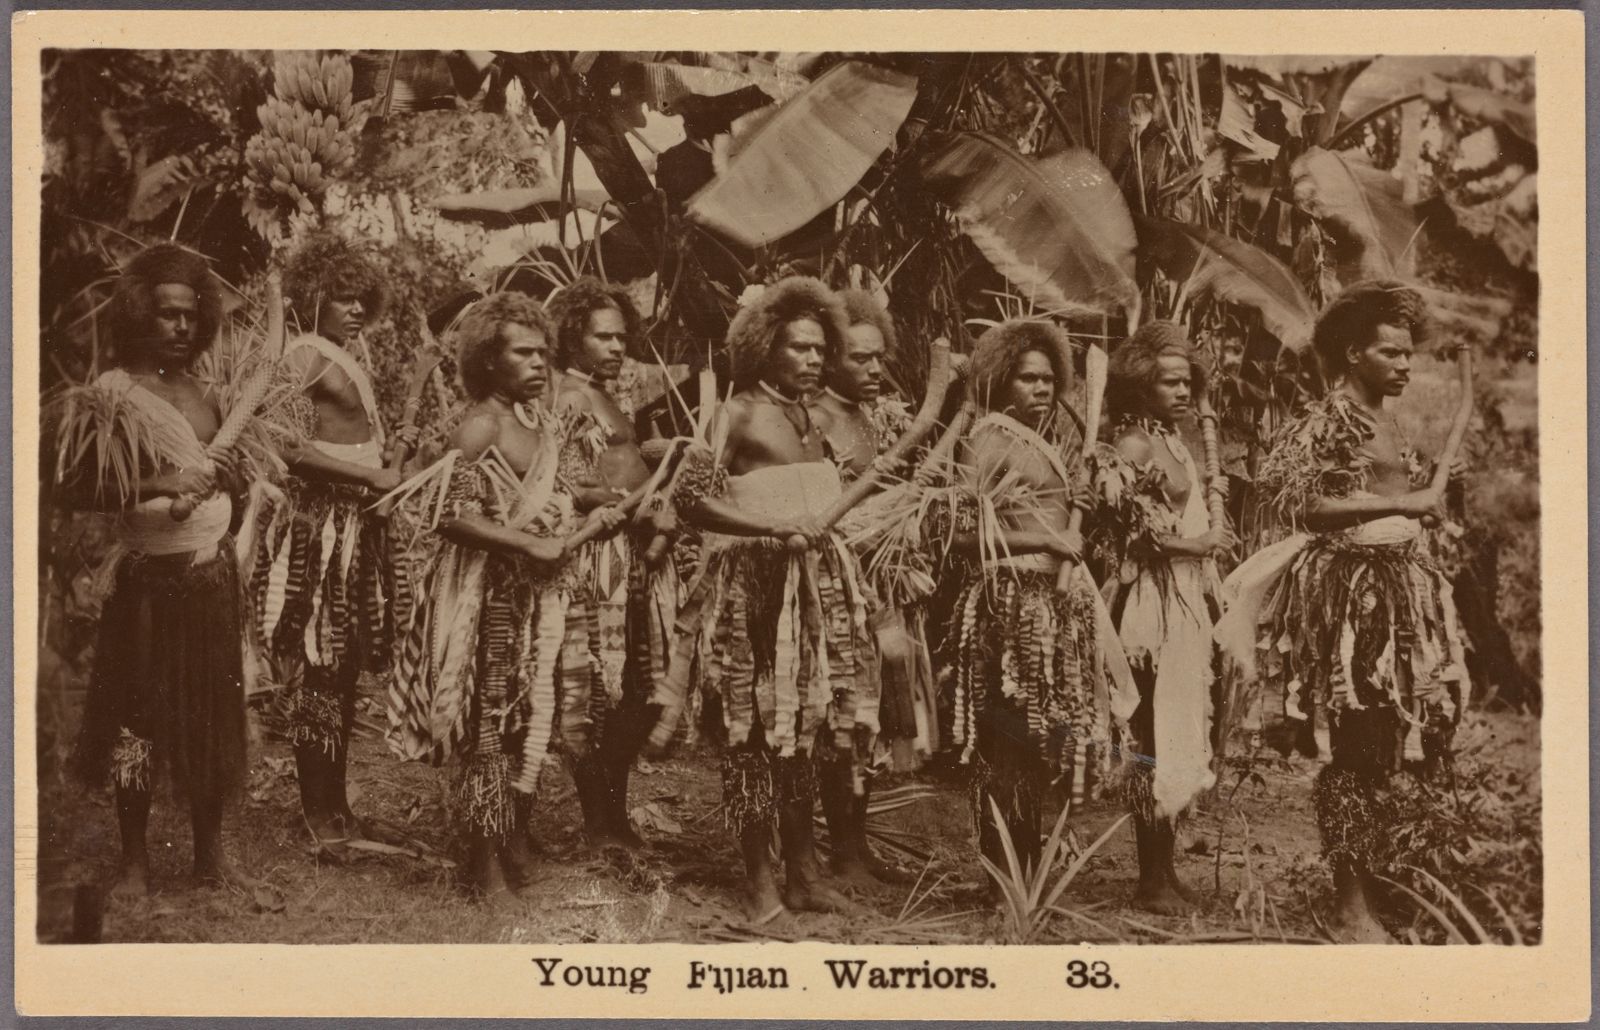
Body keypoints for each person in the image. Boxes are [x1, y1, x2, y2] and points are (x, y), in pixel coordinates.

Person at [1215, 281, 1467, 942]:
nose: (1405, 365)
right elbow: (1300, 509)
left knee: (1390, 745)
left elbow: (1387, 492)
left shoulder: (1384, 419)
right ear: (1354, 353)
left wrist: (1429, 486)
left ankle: (1381, 886)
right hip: (1353, 599)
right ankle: (1350, 907)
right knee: (1356, 749)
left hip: (1398, 595)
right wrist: (1398, 505)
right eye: (1390, 353)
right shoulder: (1330, 419)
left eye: (1409, 354)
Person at [387, 292, 624, 904]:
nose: (540, 365)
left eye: (543, 353)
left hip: (538, 603)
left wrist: (609, 505)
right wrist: (526, 543)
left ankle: (512, 839)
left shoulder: (537, 421)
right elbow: (445, 513)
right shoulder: (480, 425)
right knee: (488, 727)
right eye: (524, 354)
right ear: (490, 361)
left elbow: (572, 487)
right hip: (490, 599)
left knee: (528, 721)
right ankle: (483, 862)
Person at [654, 276, 873, 923]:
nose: (811, 359)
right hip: (750, 596)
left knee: (802, 738)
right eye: (797, 348)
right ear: (763, 349)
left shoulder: (811, 419)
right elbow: (690, 500)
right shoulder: (737, 412)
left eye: (817, 348)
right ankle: (760, 885)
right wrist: (771, 529)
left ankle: (803, 874)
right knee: (751, 741)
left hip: (809, 600)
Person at [54, 244, 261, 895]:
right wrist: (159, 492)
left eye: (189, 316)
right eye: (166, 315)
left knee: (211, 717)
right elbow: (77, 486)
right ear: (139, 314)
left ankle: (209, 859)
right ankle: (136, 862)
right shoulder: (110, 395)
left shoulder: (204, 392)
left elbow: (233, 475)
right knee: (138, 717)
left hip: (209, 577)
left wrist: (231, 475)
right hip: (148, 581)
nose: (179, 327)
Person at [941, 320, 1133, 885]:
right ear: (1002, 382)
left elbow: (1054, 521)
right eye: (1028, 379)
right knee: (1008, 745)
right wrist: (1045, 539)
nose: (1042, 390)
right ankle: (1004, 874)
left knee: (1032, 745)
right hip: (1010, 606)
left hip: (1053, 604)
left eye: (1049, 380)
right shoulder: (986, 439)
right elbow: (958, 534)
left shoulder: (1037, 441)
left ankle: (1021, 870)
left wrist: (1076, 506)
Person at [248, 230, 415, 848]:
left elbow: (358, 446)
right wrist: (370, 473)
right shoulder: (301, 355)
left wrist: (386, 463)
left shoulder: (341, 357)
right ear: (311, 294)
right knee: (323, 664)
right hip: (323, 529)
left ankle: (335, 804)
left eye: (360, 299)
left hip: (356, 526)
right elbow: (285, 447)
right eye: (342, 296)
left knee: (340, 668)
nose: (355, 309)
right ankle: (319, 812)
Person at [1087, 321, 1234, 914]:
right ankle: (1149, 879)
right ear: (1139, 387)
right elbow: (1122, 534)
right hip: (1147, 607)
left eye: (1185, 382)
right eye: (1166, 383)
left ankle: (1165, 869)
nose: (1180, 392)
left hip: (1184, 601)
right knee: (1149, 734)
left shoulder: (1175, 442)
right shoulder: (1133, 446)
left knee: (1177, 727)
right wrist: (1194, 547)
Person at [544, 277, 678, 849]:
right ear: (572, 336)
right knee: (597, 691)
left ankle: (612, 819)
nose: (617, 348)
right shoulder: (568, 396)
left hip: (632, 555)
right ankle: (602, 823)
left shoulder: (605, 394)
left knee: (631, 691)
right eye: (603, 338)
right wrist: (611, 501)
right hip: (600, 560)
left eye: (622, 337)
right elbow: (559, 477)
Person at [809, 288, 928, 886]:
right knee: (842, 717)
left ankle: (852, 848)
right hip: (838, 591)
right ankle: (833, 852)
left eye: (878, 358)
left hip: (880, 590)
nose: (874, 369)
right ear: (829, 359)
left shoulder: (869, 417)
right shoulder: (816, 421)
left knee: (870, 720)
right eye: (859, 359)